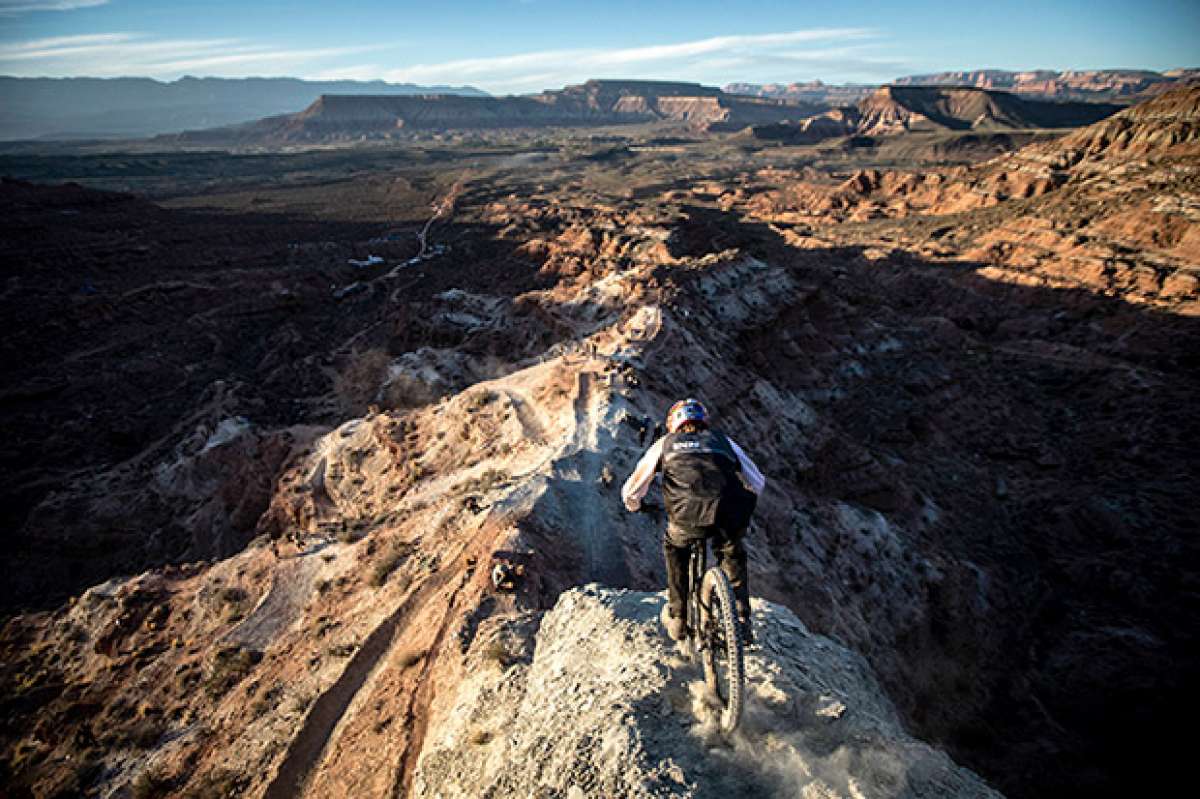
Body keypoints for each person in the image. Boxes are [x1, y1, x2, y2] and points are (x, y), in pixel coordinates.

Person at [621, 398, 764, 644]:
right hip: (728, 512)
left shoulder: (664, 444)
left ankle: (679, 616)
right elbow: (758, 483)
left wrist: (636, 506)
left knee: (675, 547)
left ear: (673, 425)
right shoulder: (723, 441)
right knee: (732, 553)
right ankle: (740, 619)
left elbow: (631, 492)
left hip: (685, 517)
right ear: (703, 421)